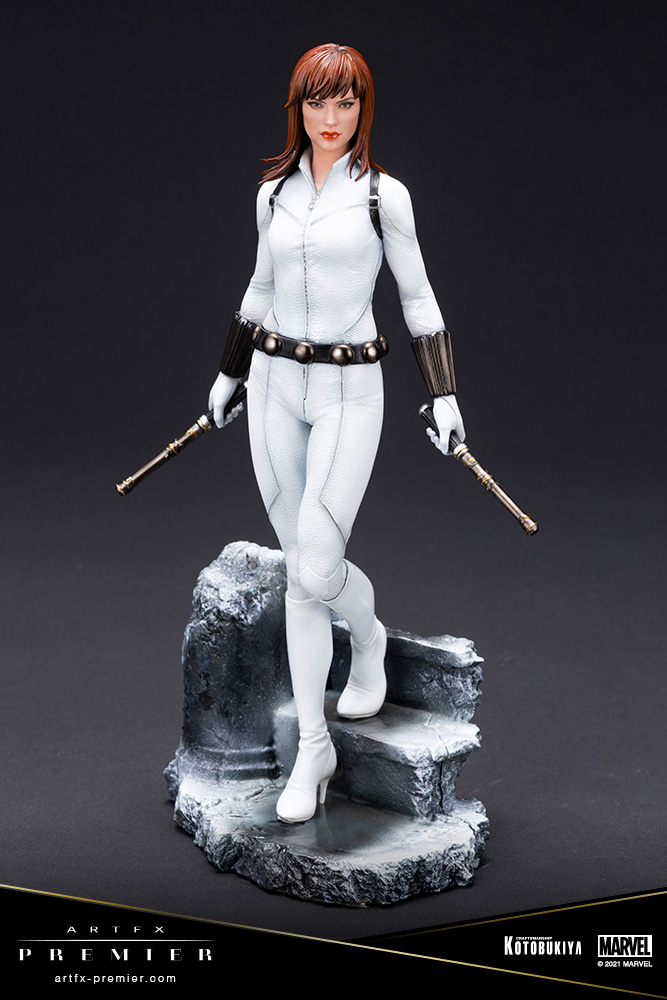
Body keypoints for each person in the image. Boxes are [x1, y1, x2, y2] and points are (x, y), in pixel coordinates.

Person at [208, 43, 464, 824]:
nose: (331, 117)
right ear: (298, 108)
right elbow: (259, 286)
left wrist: (444, 394)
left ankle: (366, 642)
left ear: (363, 108)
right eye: (317, 102)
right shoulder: (271, 194)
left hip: (350, 389)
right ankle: (316, 744)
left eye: (345, 102)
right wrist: (227, 373)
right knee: (301, 572)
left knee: (317, 564)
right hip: (273, 384)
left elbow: (417, 297)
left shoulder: (385, 197)